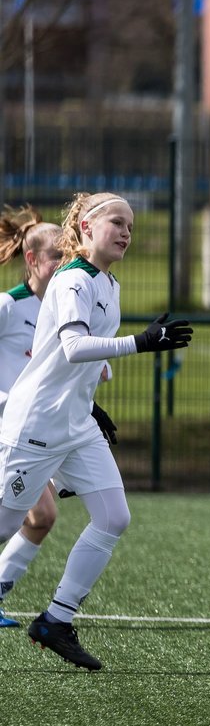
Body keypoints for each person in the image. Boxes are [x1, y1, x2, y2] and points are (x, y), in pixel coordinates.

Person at [0, 192, 192, 670]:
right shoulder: (71, 280)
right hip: (37, 424)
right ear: (86, 227)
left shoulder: (108, 282)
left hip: (75, 422)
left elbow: (80, 363)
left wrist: (92, 404)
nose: (127, 232)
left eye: (130, 225)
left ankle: (55, 620)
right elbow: (72, 348)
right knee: (4, 525)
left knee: (113, 517)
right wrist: (142, 342)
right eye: (117, 223)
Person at [0, 206, 67, 628]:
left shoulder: (63, 306)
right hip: (6, 429)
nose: (64, 264)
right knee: (38, 513)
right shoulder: (8, 306)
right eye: (56, 256)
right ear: (33, 260)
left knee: (42, 517)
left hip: (34, 431)